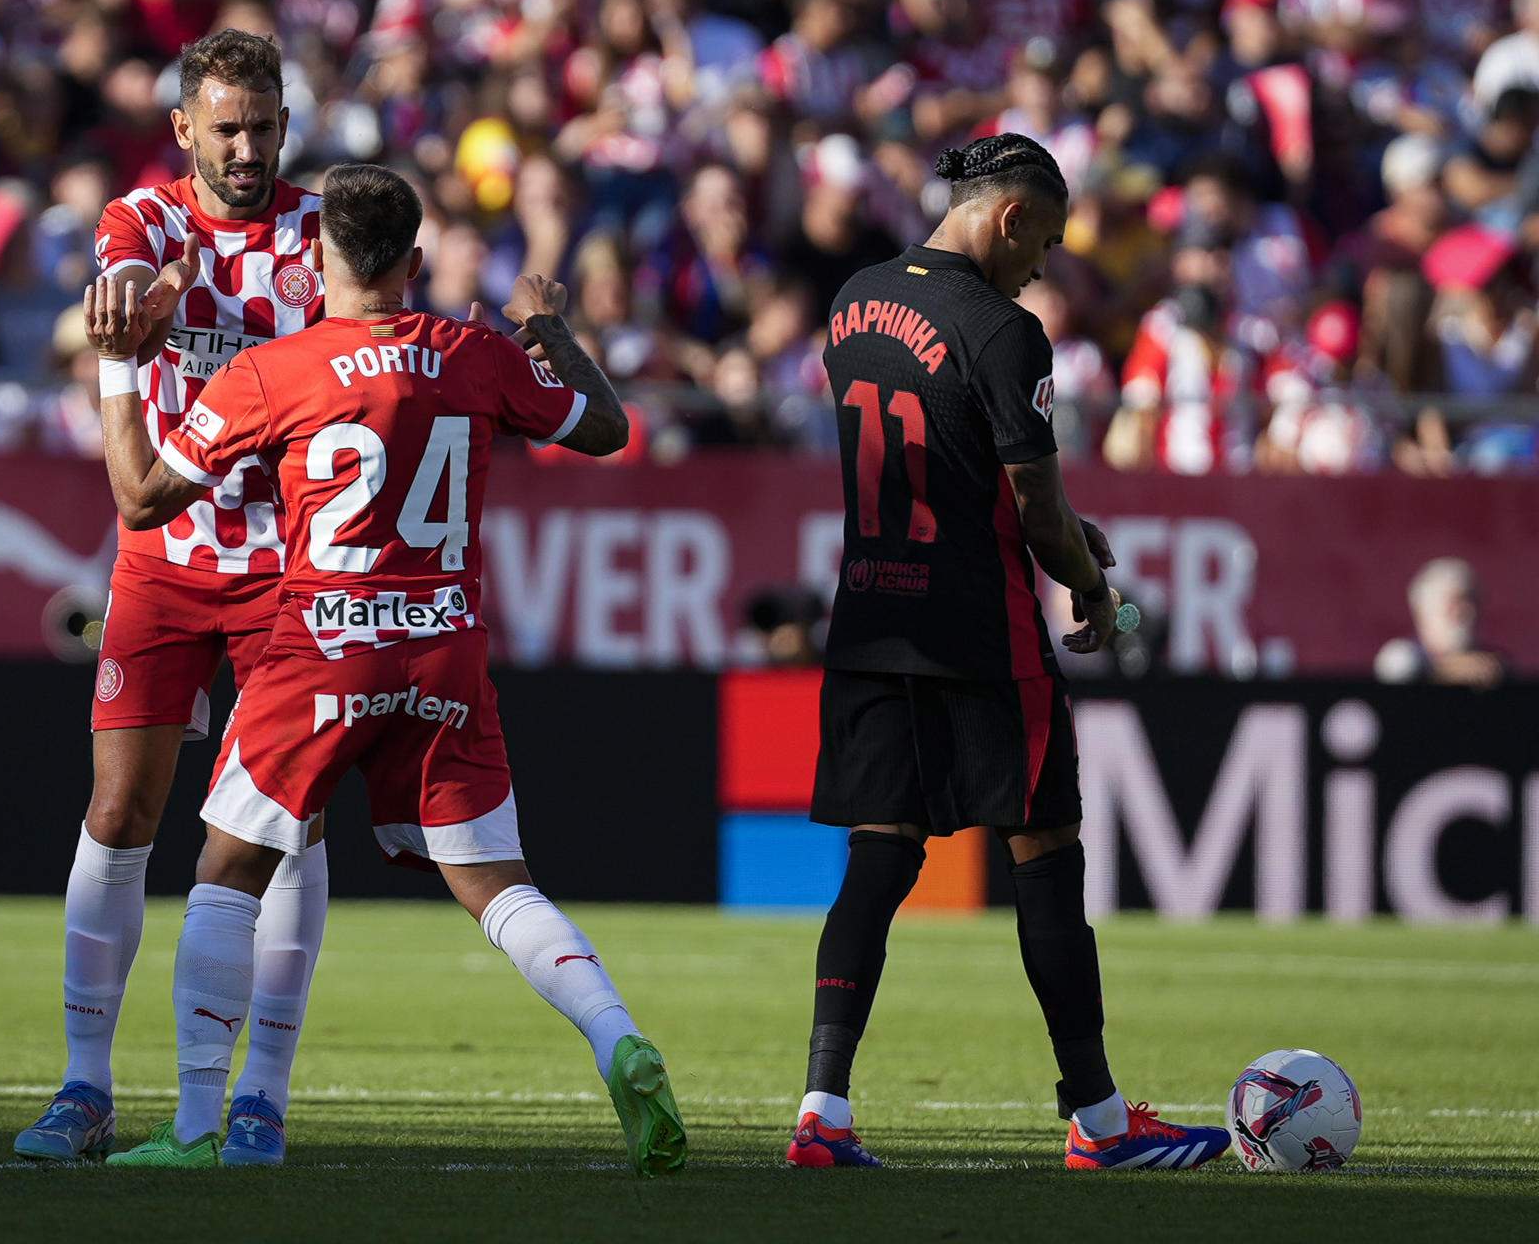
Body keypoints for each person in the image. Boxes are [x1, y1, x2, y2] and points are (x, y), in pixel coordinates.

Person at [88, 163, 686, 1176]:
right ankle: (616, 1034)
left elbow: (142, 499)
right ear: (414, 262)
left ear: (320, 258)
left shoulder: (274, 370)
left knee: (228, 869)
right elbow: (606, 426)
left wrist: (115, 368)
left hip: (322, 642)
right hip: (445, 646)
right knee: (496, 882)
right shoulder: (478, 354)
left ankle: (198, 1124)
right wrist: (550, 330)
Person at [785, 133, 1230, 1172]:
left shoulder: (852, 300)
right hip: (981, 634)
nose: (1045, 264)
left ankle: (822, 1112)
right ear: (1010, 215)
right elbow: (1032, 511)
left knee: (877, 860)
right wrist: (1091, 582)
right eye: (1046, 240)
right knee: (1047, 854)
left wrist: (1072, 531)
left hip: (870, 617)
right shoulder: (1005, 329)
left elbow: (952, 460)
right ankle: (1101, 1121)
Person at [12, 30, 329, 1170]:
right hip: (166, 556)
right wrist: (142, 303)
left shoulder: (320, 233)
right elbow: (127, 281)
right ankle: (86, 1085)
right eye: (226, 128)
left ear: (285, 124)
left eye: (264, 125)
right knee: (118, 813)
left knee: (284, 833)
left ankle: (261, 1098)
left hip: (294, 568)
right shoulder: (147, 220)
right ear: (186, 130)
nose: (247, 148)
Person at [1374, 557, 1504, 688]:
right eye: (1456, 602)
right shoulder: (1401, 654)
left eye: (1474, 601)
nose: (1468, 611)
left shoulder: (1493, 663)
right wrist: (1448, 671)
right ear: (1425, 610)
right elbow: (1398, 673)